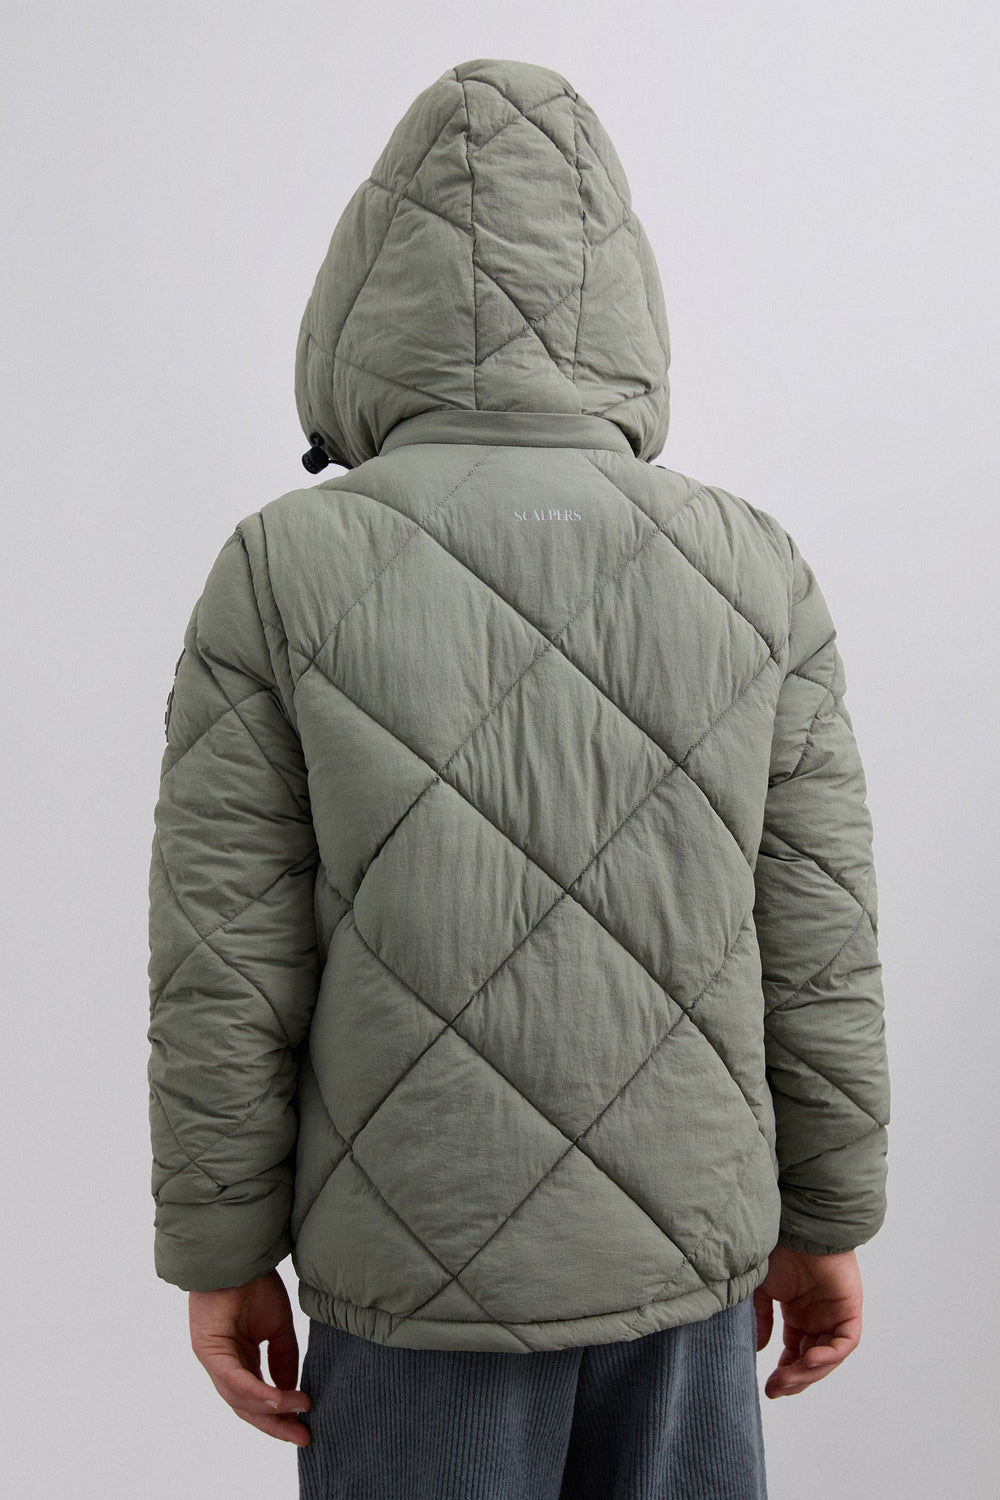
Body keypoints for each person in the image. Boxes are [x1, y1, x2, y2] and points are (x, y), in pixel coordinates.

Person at [146, 56, 891, 1499]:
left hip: (410, 1268)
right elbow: (820, 939)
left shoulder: (283, 565)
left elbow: (225, 957)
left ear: (365, 302)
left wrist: (221, 1254)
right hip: (688, 1256)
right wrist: (829, 1215)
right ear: (623, 303)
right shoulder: (753, 566)